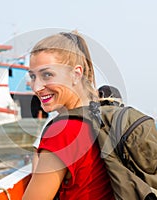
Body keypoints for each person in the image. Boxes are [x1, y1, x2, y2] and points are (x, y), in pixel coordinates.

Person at [23, 32, 114, 200]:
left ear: (75, 74)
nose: (36, 87)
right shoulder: (103, 115)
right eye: (33, 76)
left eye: (47, 75)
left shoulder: (63, 131)